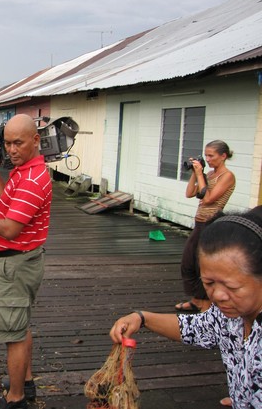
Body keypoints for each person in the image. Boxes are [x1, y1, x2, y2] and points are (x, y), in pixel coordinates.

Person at [110, 206, 262, 408]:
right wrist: (141, 318)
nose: (217, 295)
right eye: (208, 283)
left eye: (231, 286)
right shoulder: (231, 316)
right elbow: (197, 327)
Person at [0, 114, 52, 409]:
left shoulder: (30, 179)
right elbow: (10, 205)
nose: (11, 150)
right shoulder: (25, 169)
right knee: (21, 323)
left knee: (13, 334)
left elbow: (10, 228)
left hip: (16, 264)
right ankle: (24, 381)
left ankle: (15, 399)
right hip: (22, 262)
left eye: (19, 143)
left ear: (36, 140)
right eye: (7, 143)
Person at [175, 140, 235, 313]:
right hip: (199, 222)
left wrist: (201, 175)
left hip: (212, 223)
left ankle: (206, 305)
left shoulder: (227, 176)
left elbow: (208, 199)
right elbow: (190, 193)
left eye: (211, 156)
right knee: (188, 262)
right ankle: (196, 300)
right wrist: (195, 173)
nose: (207, 159)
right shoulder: (208, 175)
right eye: (206, 155)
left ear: (223, 156)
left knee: (203, 266)